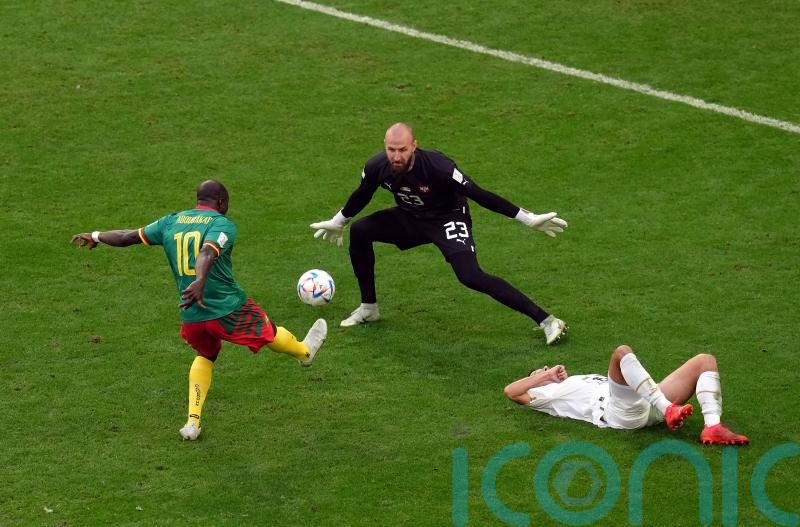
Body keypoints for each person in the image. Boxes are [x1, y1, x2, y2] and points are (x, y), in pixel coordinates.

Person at [71, 180, 327, 441]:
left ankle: (192, 422)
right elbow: (207, 252)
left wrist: (95, 236)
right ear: (222, 202)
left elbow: (127, 237)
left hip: (191, 312)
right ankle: (305, 352)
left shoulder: (171, 221)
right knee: (269, 332)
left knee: (206, 354)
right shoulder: (221, 224)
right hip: (227, 308)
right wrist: (201, 281)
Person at [310, 123, 569, 345]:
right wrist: (339, 221)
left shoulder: (439, 167)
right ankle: (369, 308)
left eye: (402, 150)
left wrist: (528, 218)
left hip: (448, 218)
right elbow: (363, 193)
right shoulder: (377, 166)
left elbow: (479, 194)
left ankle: (547, 320)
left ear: (414, 146)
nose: (396, 156)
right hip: (411, 217)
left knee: (470, 276)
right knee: (360, 231)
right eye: (391, 149)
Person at [503, 344, 749, 445]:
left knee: (705, 361)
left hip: (643, 404)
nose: (546, 370)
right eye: (540, 371)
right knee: (621, 353)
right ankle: (667, 409)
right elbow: (511, 391)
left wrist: (551, 375)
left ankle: (713, 426)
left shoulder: (572, 382)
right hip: (619, 413)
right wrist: (545, 376)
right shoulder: (545, 396)